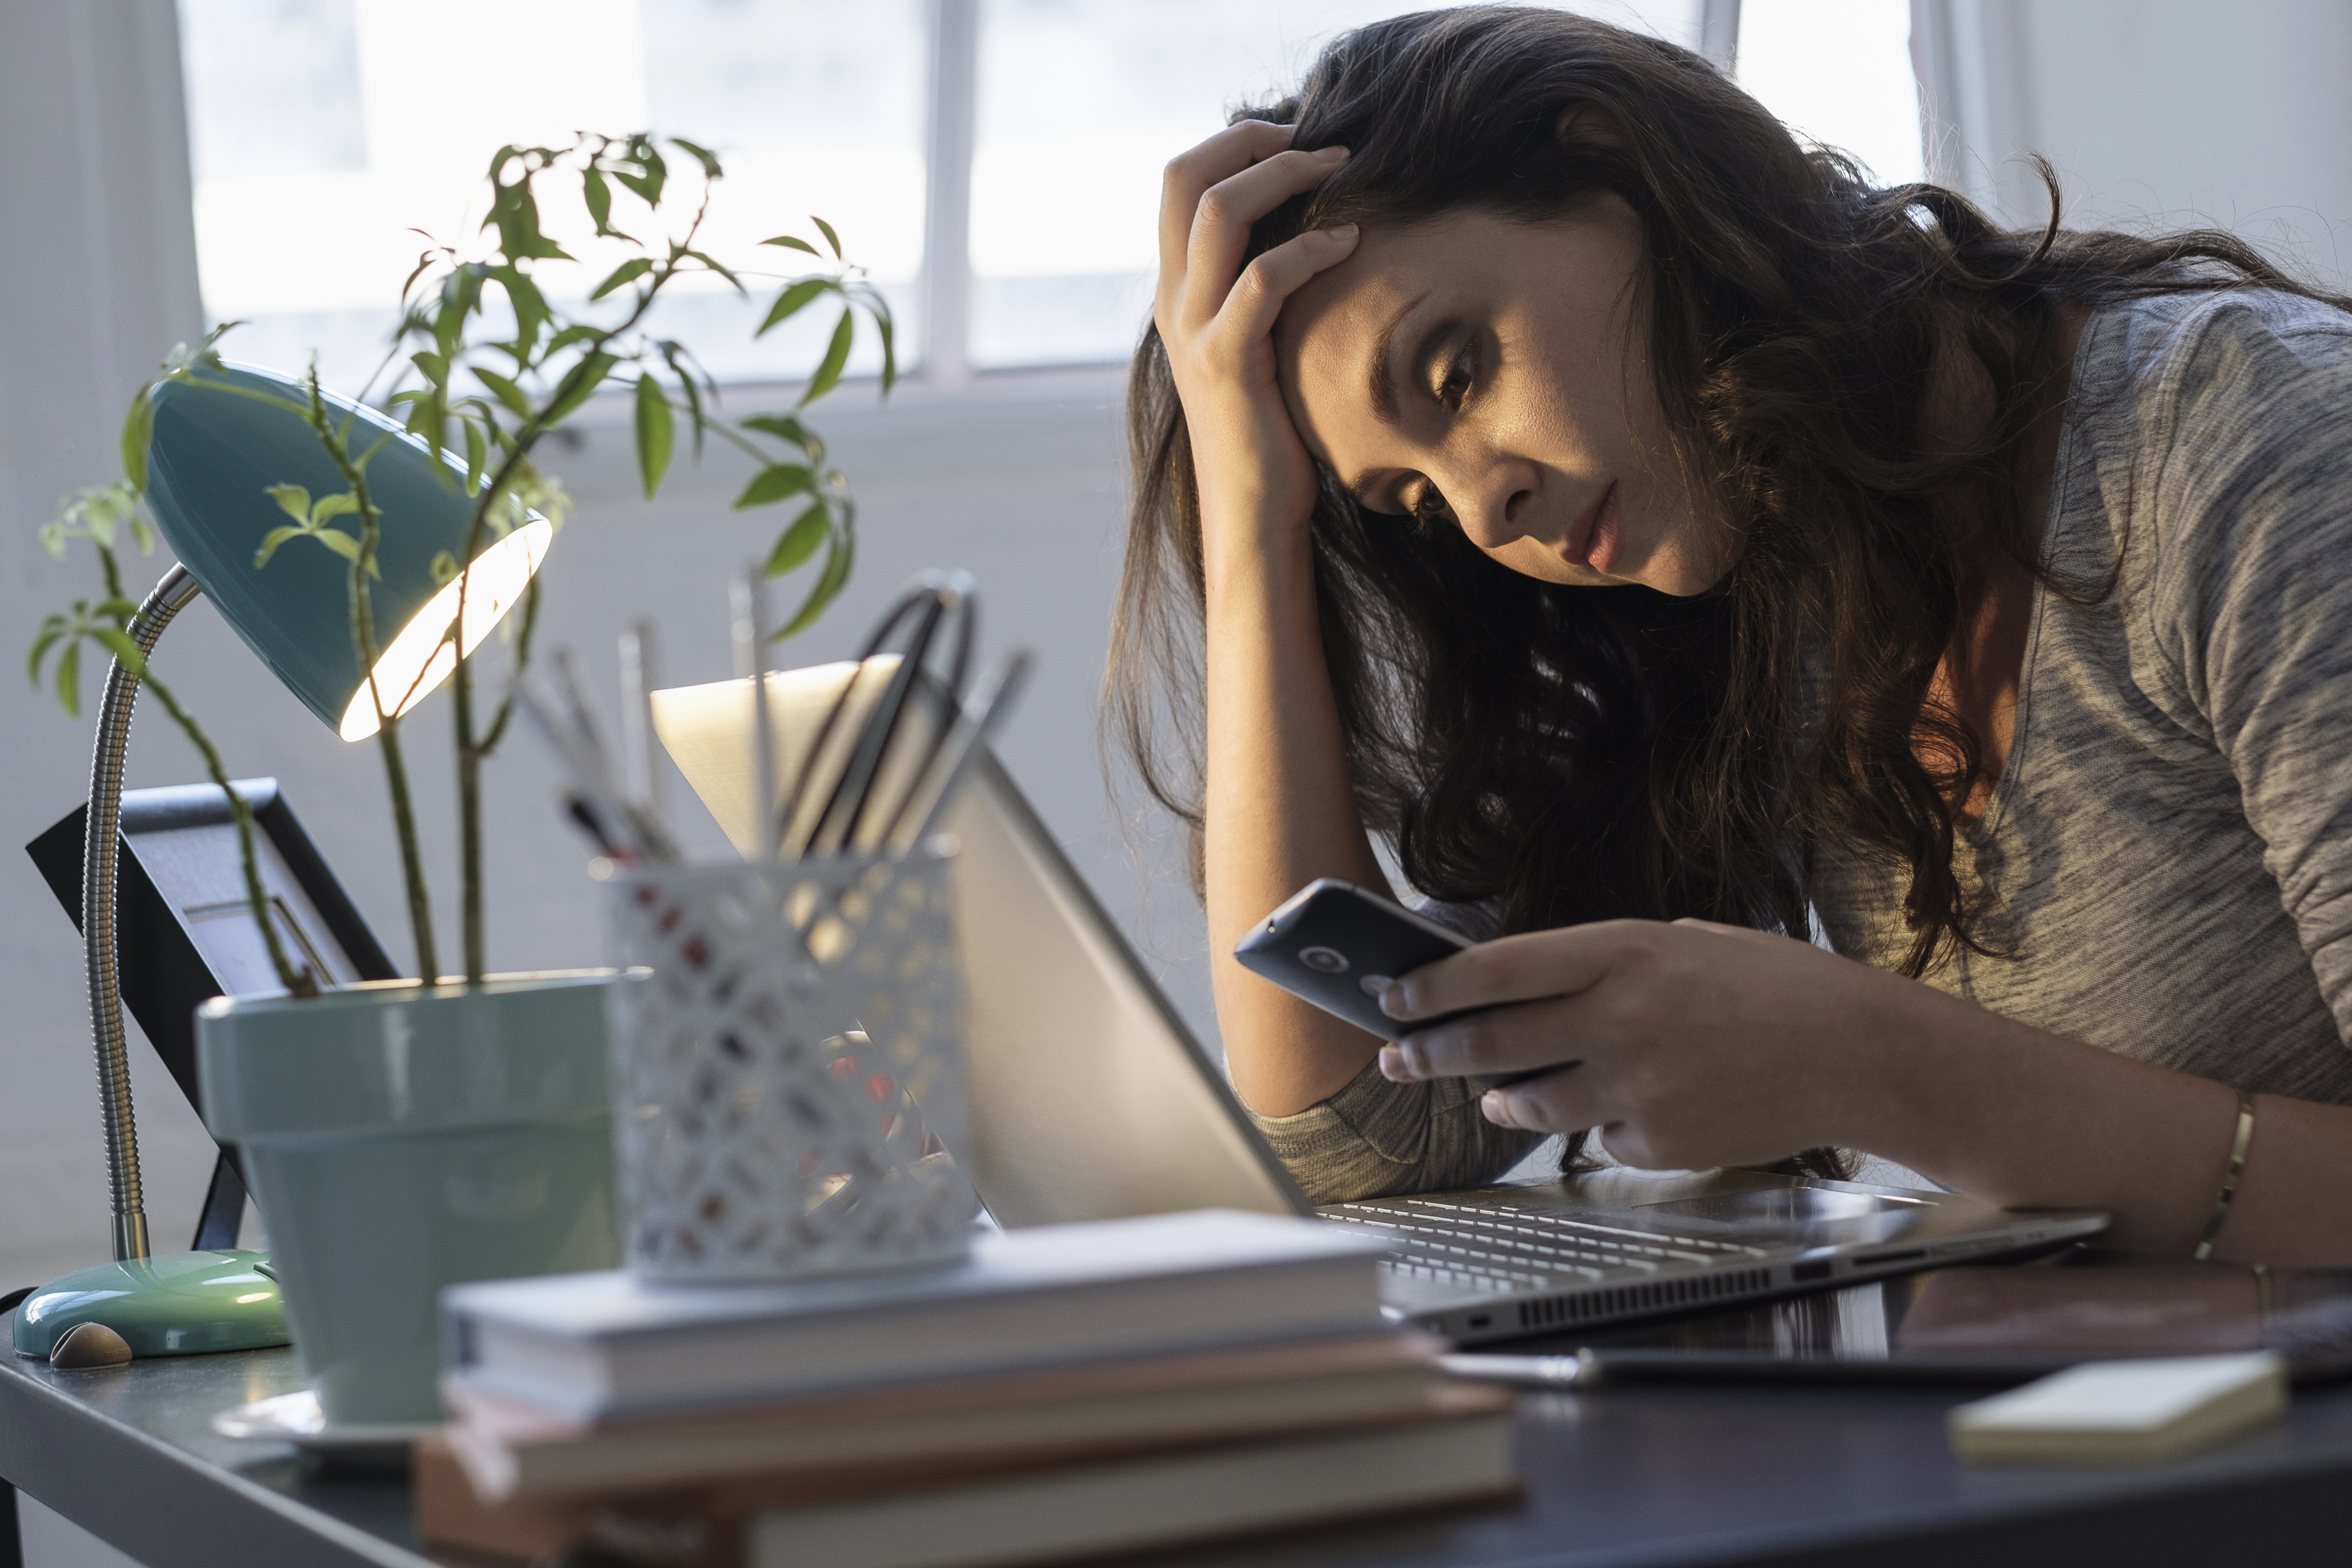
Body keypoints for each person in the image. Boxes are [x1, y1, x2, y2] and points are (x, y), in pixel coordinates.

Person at [1109, 5, 2352, 1264]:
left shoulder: (2252, 447)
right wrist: (1250, 516)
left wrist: (1876, 1068)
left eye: (1455, 373)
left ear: (1616, 168)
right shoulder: (1750, 588)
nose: (1484, 508)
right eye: (1417, 501)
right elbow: (1353, 1136)